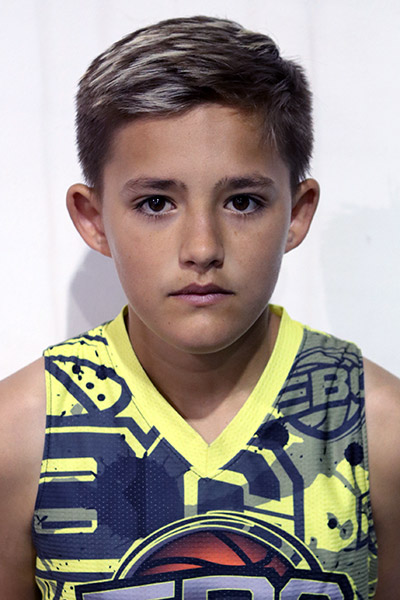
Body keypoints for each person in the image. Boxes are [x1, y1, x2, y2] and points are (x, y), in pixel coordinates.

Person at [0, 15, 399, 600]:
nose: (203, 248)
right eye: (156, 203)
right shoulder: (19, 434)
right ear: (93, 218)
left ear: (296, 213)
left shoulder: (379, 427)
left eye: (243, 201)